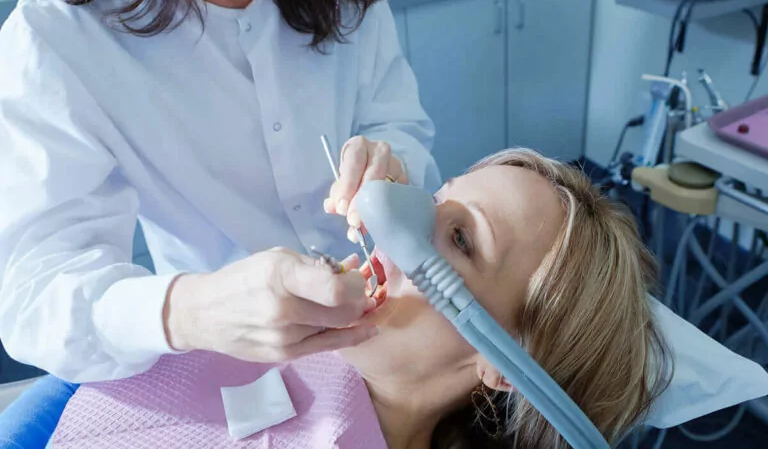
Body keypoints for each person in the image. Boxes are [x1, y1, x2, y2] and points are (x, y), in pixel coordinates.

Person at [0, 0, 440, 384]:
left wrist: (390, 165)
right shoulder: (58, 37)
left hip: (390, 336)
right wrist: (192, 311)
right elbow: (35, 294)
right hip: (227, 371)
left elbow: (401, 124)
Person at [48, 149, 672, 449]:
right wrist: (184, 311)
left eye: (460, 238)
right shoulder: (257, 327)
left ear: (504, 362)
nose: (387, 206)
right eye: (435, 193)